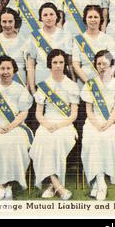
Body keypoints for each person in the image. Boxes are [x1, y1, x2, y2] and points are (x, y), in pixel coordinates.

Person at [0, 56, 33, 200]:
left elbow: (24, 112)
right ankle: (0, 184)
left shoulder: (20, 89)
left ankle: (8, 184)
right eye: (2, 68)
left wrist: (11, 126)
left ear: (14, 70)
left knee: (15, 142)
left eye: (8, 68)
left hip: (15, 125)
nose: (5, 72)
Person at [29, 49, 79, 200]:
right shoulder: (44, 86)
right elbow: (38, 113)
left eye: (61, 62)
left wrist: (59, 126)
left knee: (57, 140)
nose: (58, 66)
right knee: (43, 139)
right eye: (55, 62)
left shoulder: (72, 85)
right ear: (49, 65)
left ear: (65, 64)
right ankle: (57, 185)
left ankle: (52, 186)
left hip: (65, 124)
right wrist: (46, 124)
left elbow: (73, 115)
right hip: (47, 121)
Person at [80, 50, 115, 201]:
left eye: (105, 64)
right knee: (91, 139)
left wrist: (106, 124)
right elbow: (89, 110)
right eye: (99, 64)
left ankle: (98, 182)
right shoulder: (90, 84)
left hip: (111, 122)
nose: (102, 67)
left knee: (107, 139)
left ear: (111, 65)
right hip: (93, 122)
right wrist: (96, 124)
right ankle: (100, 182)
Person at [27, 2, 73, 94]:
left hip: (61, 82)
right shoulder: (35, 36)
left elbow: (69, 63)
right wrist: (32, 89)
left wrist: (73, 81)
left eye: (51, 14)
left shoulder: (65, 35)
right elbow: (31, 64)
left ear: (57, 16)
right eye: (45, 15)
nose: (49, 18)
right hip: (41, 81)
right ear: (41, 18)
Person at [72, 5, 115, 90]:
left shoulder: (108, 39)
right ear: (85, 19)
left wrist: (106, 79)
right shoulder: (78, 40)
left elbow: (114, 63)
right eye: (90, 17)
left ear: (101, 19)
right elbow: (75, 65)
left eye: (96, 17)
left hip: (105, 83)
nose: (93, 20)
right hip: (84, 83)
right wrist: (89, 83)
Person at [0, 7, 28, 87]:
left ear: (15, 22)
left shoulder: (25, 41)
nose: (7, 25)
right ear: (0, 22)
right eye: (4, 21)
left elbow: (30, 68)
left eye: (10, 21)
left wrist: (27, 90)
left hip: (20, 87)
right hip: (0, 89)